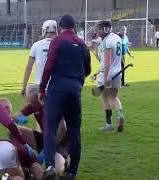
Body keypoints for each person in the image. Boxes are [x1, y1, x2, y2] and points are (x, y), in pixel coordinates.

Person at [38, 14, 91, 180]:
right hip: (75, 91)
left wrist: (41, 88)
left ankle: (50, 167)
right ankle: (72, 172)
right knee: (75, 132)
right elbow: (88, 69)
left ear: (60, 27)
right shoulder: (82, 44)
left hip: (57, 90)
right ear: (74, 26)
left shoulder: (58, 41)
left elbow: (49, 66)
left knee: (50, 129)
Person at [21, 19, 58, 132]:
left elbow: (28, 67)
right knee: (57, 114)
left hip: (39, 86)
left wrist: (24, 86)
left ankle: (42, 140)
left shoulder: (36, 45)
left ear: (44, 30)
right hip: (56, 86)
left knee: (39, 115)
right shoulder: (61, 44)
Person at [94, 21, 125, 133]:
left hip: (107, 74)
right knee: (114, 97)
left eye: (99, 29)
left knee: (105, 98)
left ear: (105, 29)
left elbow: (107, 62)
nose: (97, 31)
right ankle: (120, 114)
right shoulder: (117, 38)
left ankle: (108, 124)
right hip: (117, 72)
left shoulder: (106, 41)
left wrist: (106, 77)